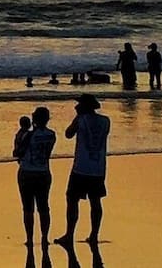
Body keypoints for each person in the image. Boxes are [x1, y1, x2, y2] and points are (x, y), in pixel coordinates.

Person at [57, 95, 110, 245]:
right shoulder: (105, 121)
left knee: (72, 199)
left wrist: (77, 118)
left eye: (79, 104)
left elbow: (68, 134)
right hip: (98, 168)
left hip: (81, 168)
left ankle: (69, 234)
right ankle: (94, 235)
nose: (76, 107)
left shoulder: (81, 120)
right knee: (96, 202)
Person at [16, 108, 56, 245]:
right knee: (44, 206)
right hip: (43, 171)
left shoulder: (28, 135)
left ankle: (29, 238)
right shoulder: (52, 135)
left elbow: (18, 152)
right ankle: (44, 237)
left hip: (27, 172)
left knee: (28, 208)